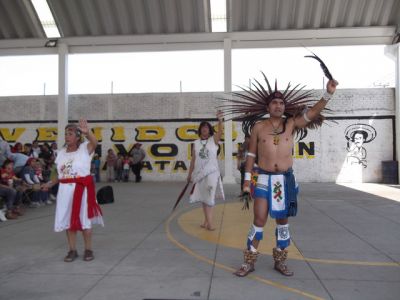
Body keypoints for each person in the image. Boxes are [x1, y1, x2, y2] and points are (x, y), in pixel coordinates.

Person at [231, 75, 338, 277]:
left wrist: (328, 93)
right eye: (274, 103)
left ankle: (280, 260)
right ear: (268, 107)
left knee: (282, 222)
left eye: (281, 103)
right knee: (259, 219)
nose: (278, 106)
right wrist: (246, 182)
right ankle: (249, 260)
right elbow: (251, 155)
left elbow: (313, 112)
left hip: (284, 180)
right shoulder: (258, 128)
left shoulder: (291, 124)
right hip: (263, 177)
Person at [43, 120, 103, 262]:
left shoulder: (85, 148)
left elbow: (95, 142)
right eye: (65, 134)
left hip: (82, 191)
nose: (67, 136)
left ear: (77, 137)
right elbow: (58, 174)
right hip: (65, 191)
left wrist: (87, 132)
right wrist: (49, 184)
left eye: (70, 134)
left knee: (85, 221)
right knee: (69, 221)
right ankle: (72, 250)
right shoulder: (61, 153)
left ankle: (88, 250)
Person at [187, 111, 225, 231]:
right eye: (202, 127)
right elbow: (193, 160)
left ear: (209, 130)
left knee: (209, 196)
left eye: (207, 127)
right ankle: (205, 221)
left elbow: (220, 131)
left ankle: (209, 223)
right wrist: (189, 174)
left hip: (212, 173)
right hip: (199, 174)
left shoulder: (213, 140)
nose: (204, 129)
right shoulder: (196, 143)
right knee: (204, 197)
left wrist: (220, 120)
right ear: (200, 130)